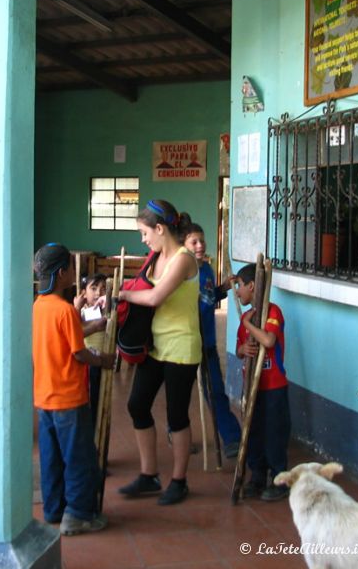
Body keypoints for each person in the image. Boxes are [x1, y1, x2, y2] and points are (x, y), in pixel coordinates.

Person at [117, 199, 202, 506]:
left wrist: (123, 294)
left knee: (176, 416)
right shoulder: (155, 256)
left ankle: (179, 481)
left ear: (160, 228)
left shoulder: (183, 258)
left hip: (181, 347)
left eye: (144, 232)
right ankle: (149, 474)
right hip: (155, 345)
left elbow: (154, 297)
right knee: (137, 405)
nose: (143, 239)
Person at [33, 243, 113, 536]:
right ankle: (78, 514)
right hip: (69, 398)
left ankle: (54, 509)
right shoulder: (66, 310)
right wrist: (103, 360)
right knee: (79, 457)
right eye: (70, 268)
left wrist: (94, 327)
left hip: (44, 398)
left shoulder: (38, 307)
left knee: (51, 457)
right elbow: (79, 353)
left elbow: (67, 337)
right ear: (62, 272)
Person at [183, 223, 242, 458]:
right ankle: (177, 433)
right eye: (193, 242)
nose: (200, 245)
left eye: (202, 240)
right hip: (186, 343)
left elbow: (209, 297)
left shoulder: (206, 269)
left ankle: (232, 438)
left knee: (216, 391)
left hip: (206, 343)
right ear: (183, 246)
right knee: (181, 394)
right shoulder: (180, 272)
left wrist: (223, 288)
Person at [235, 263, 291, 502]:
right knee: (253, 431)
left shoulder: (273, 312)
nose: (237, 292)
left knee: (274, 433)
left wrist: (249, 324)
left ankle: (280, 479)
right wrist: (241, 349)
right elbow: (240, 349)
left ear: (252, 286)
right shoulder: (247, 316)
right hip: (252, 387)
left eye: (239, 286)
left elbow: (268, 340)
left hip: (273, 388)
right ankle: (257, 475)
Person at [75, 273, 108, 426]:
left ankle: (97, 424)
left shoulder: (107, 312)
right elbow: (73, 333)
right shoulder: (81, 313)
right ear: (84, 292)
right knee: (90, 396)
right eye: (93, 288)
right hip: (89, 361)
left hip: (104, 360)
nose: (98, 293)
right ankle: (90, 424)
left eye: (103, 289)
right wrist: (77, 307)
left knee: (101, 398)